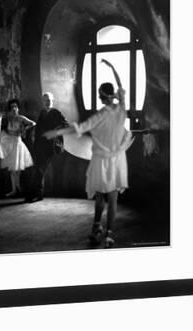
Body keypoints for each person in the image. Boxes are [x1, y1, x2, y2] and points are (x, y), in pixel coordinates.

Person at [44, 59, 133, 247]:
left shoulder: (101, 115)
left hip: (101, 160)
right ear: (113, 96)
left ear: (101, 97)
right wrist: (113, 67)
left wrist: (57, 132)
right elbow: (121, 87)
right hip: (116, 159)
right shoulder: (121, 109)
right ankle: (108, 233)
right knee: (113, 198)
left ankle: (96, 226)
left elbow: (80, 127)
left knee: (100, 197)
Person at [25, 92, 68, 202]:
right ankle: (39, 194)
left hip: (51, 146)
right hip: (41, 146)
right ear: (43, 102)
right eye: (45, 100)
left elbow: (65, 125)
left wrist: (54, 132)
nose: (47, 102)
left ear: (52, 100)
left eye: (49, 100)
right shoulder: (42, 113)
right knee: (39, 169)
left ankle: (32, 195)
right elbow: (39, 129)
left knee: (39, 169)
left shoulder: (56, 112)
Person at [0, 99, 36, 197]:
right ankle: (14, 189)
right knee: (12, 170)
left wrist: (24, 129)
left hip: (18, 144)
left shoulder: (20, 118)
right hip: (9, 144)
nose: (14, 109)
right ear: (10, 109)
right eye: (12, 107)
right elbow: (5, 130)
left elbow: (33, 123)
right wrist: (10, 132)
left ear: (18, 108)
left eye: (15, 107)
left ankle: (18, 188)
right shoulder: (8, 118)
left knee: (18, 169)